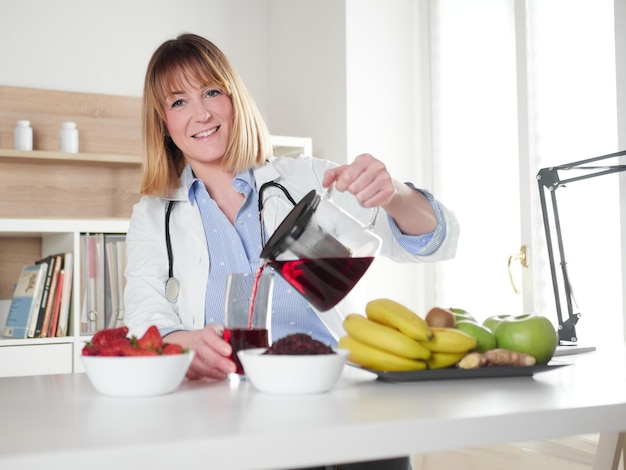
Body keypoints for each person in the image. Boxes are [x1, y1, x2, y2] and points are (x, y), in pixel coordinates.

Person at [124, 33, 459, 470]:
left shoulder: (306, 179)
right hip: (232, 419)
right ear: (162, 121)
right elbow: (146, 315)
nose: (201, 113)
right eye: (179, 102)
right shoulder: (154, 217)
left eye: (211, 92)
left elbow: (435, 241)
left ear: (234, 98)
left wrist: (393, 193)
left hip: (340, 402)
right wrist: (181, 341)